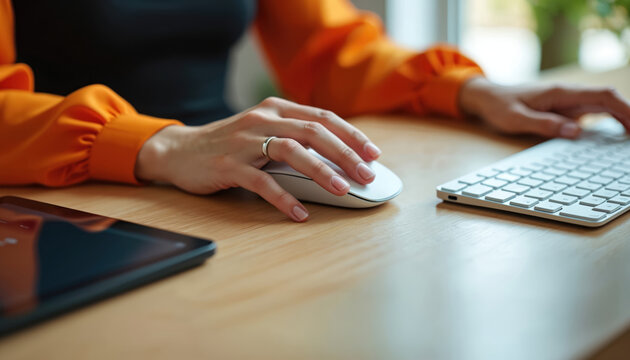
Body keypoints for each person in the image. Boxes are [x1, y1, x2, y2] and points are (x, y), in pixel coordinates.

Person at [1, 0, 630, 222]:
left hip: (224, 177)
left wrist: (468, 91)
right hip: (67, 198)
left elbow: (330, 47)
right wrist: (162, 145)